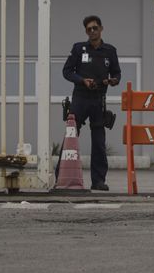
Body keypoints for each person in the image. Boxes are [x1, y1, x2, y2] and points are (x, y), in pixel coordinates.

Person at [62, 15, 121, 191]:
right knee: (71, 137)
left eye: (95, 28)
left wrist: (113, 81)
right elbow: (66, 71)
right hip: (80, 98)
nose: (93, 31)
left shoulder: (109, 51)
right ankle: (62, 176)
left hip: (98, 100)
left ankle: (98, 180)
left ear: (101, 28)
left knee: (99, 142)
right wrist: (82, 80)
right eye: (89, 29)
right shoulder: (79, 49)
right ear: (86, 31)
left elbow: (117, 73)